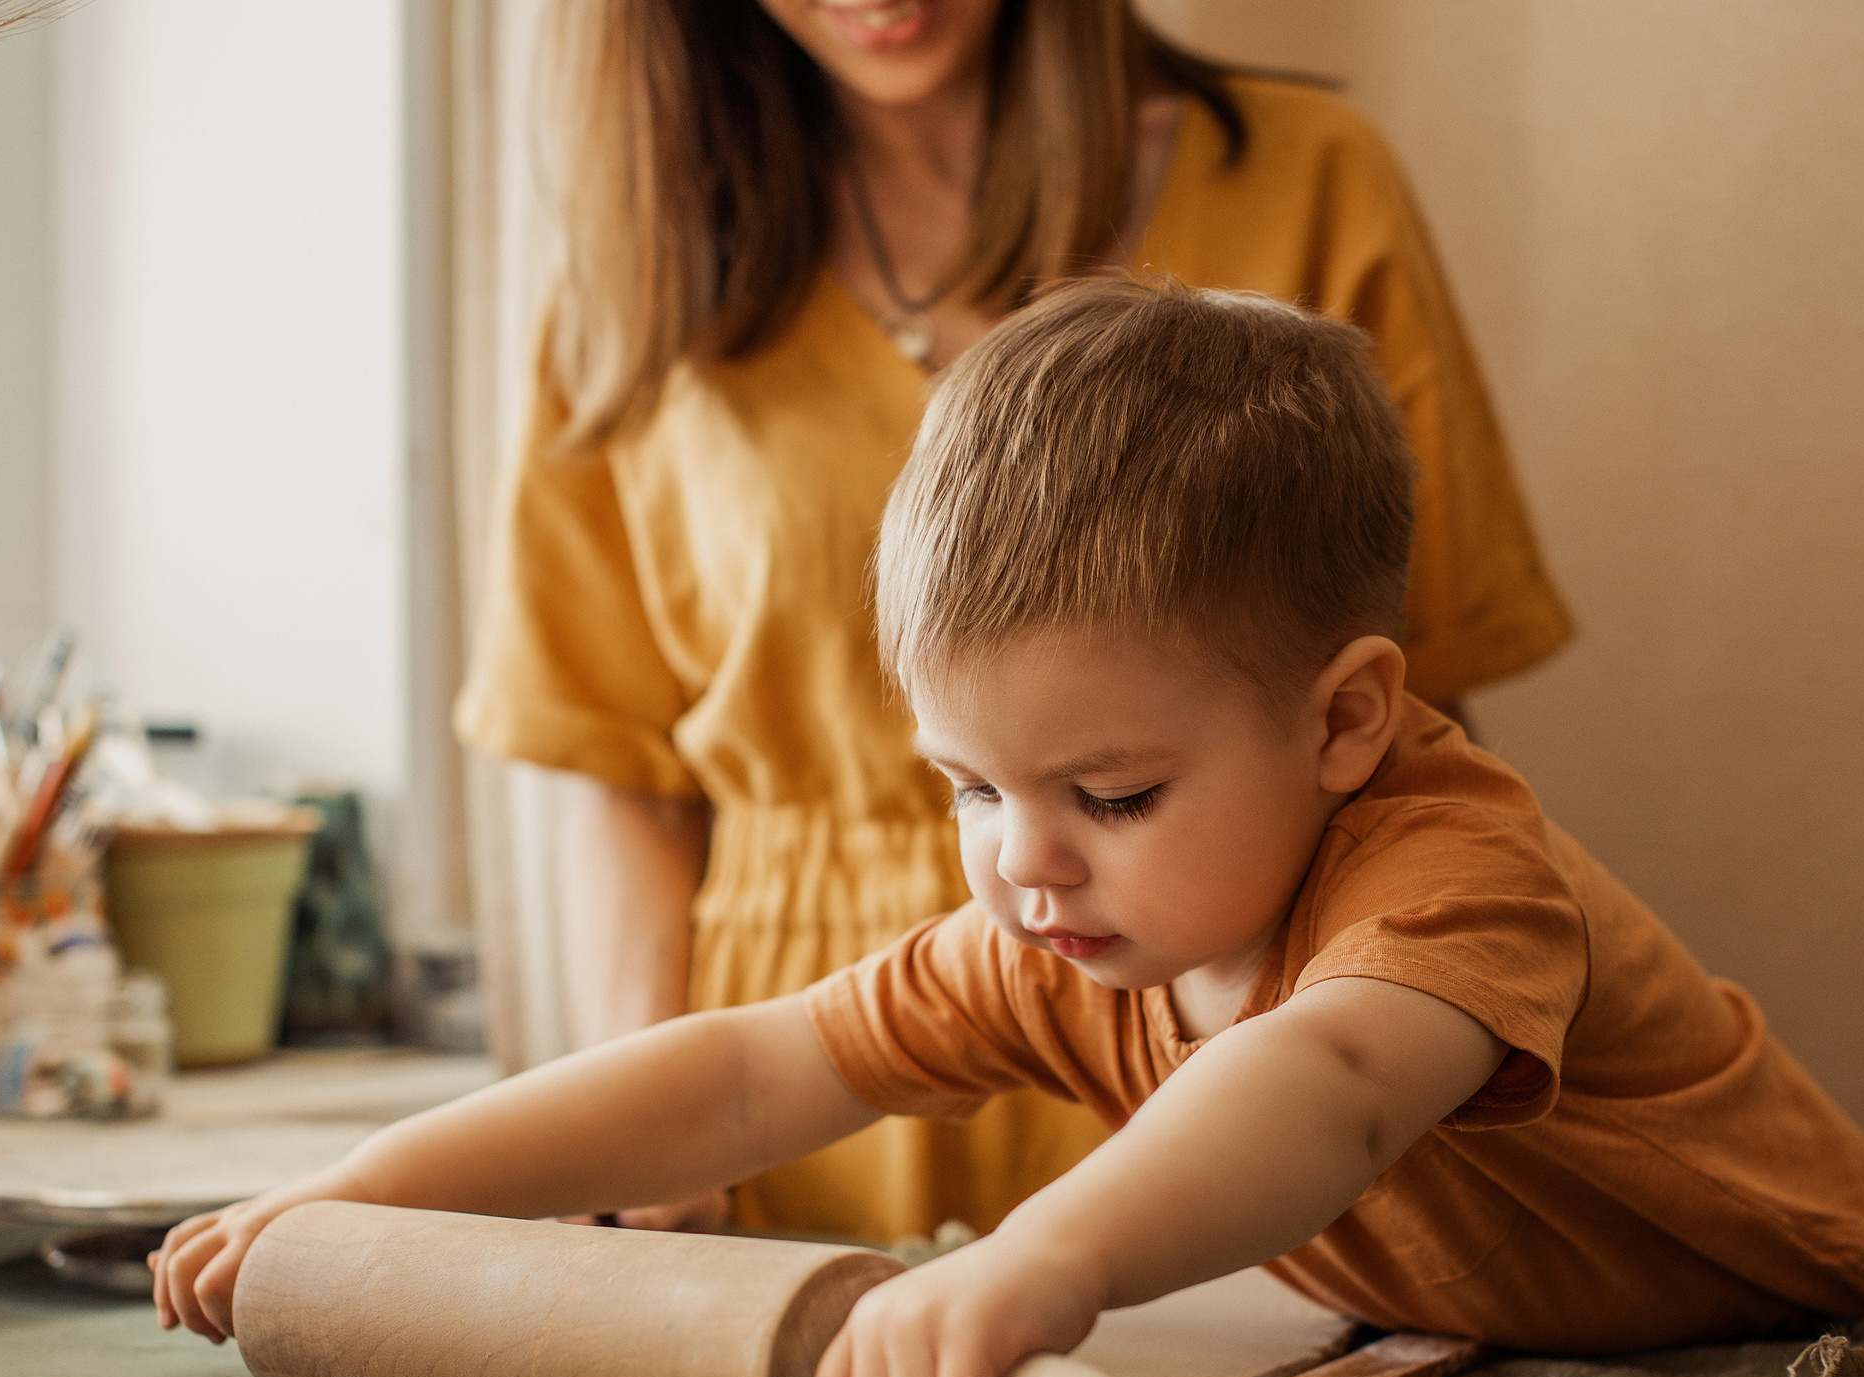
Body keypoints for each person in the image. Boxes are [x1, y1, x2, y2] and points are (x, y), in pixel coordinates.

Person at [159, 281, 1864, 1377]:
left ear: (1347, 718)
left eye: (1113, 790)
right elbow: (746, 1071)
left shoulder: (1461, 869)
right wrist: (360, 1196)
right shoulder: (1063, 921)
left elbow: (1327, 1088)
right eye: (968, 784)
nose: (1023, 862)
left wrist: (1043, 1258)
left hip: (1859, 1376)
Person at [455, 0, 1572, 1241]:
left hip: (1248, 1072)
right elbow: (621, 771)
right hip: (791, 1101)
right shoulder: (635, 273)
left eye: (1114, 790)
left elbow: (1414, 728)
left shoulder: (1305, 176)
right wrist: (648, 1160)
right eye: (972, 792)